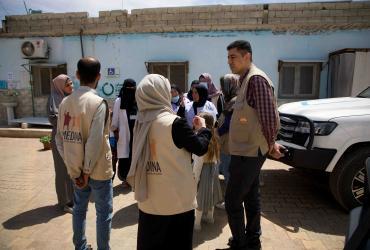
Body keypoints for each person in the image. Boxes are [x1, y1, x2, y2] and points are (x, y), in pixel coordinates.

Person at [126, 74, 212, 250]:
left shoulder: (140, 122)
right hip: (177, 203)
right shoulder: (174, 123)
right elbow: (200, 147)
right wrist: (203, 129)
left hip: (149, 201)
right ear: (162, 93)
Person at [222, 40, 284, 250]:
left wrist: (271, 144)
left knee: (232, 201)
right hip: (245, 150)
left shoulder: (256, 80)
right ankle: (252, 241)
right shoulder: (245, 79)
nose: (229, 61)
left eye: (233, 57)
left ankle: (240, 244)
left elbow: (269, 117)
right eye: (228, 57)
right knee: (250, 197)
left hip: (249, 153)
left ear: (247, 56)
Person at [56, 57, 113, 250]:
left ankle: (79, 246)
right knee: (103, 212)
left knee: (79, 209)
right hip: (96, 171)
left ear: (78, 75)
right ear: (99, 76)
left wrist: (74, 168)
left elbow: (60, 139)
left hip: (77, 171)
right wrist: (86, 172)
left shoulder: (65, 102)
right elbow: (95, 141)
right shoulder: (99, 103)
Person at [47, 74, 74, 214]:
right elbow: (53, 118)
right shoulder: (54, 98)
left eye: (71, 83)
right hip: (59, 138)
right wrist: (70, 118)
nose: (71, 86)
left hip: (70, 137)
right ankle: (64, 202)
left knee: (70, 169)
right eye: (68, 84)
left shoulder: (68, 98)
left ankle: (72, 199)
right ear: (60, 86)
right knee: (62, 171)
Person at [193, 112, 223, 231]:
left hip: (203, 171)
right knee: (210, 196)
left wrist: (195, 177)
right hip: (213, 170)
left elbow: (198, 162)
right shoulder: (215, 137)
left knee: (200, 198)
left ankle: (197, 224)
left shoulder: (201, 140)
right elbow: (217, 159)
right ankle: (210, 218)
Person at [111, 78, 137, 188]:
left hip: (136, 132)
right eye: (129, 88)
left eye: (133, 88)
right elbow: (115, 119)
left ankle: (134, 179)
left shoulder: (138, 100)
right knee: (125, 158)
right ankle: (125, 179)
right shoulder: (119, 101)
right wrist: (114, 133)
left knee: (134, 156)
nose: (131, 90)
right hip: (123, 134)